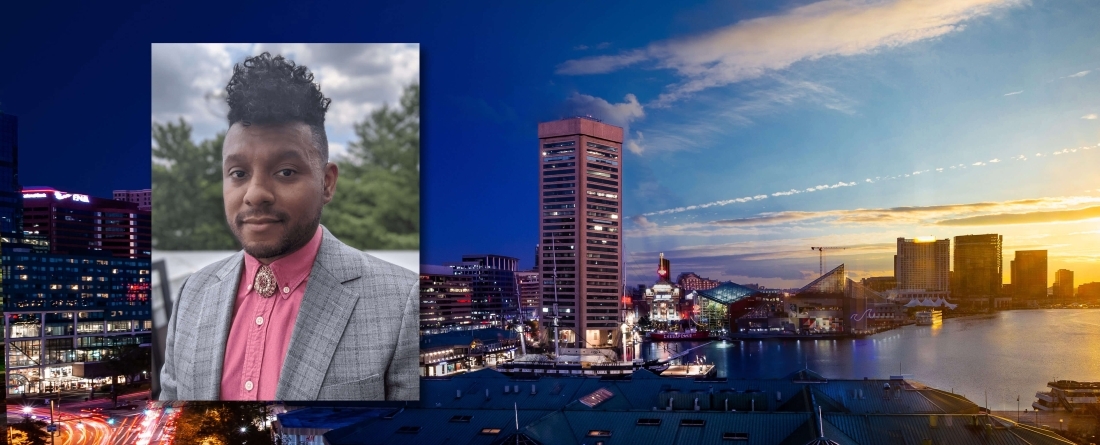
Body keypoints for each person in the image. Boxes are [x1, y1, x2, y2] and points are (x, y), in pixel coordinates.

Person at [158, 53, 419, 401]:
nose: (255, 194)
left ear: (327, 183)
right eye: (238, 174)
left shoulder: (402, 302)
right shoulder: (193, 294)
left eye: (285, 172)